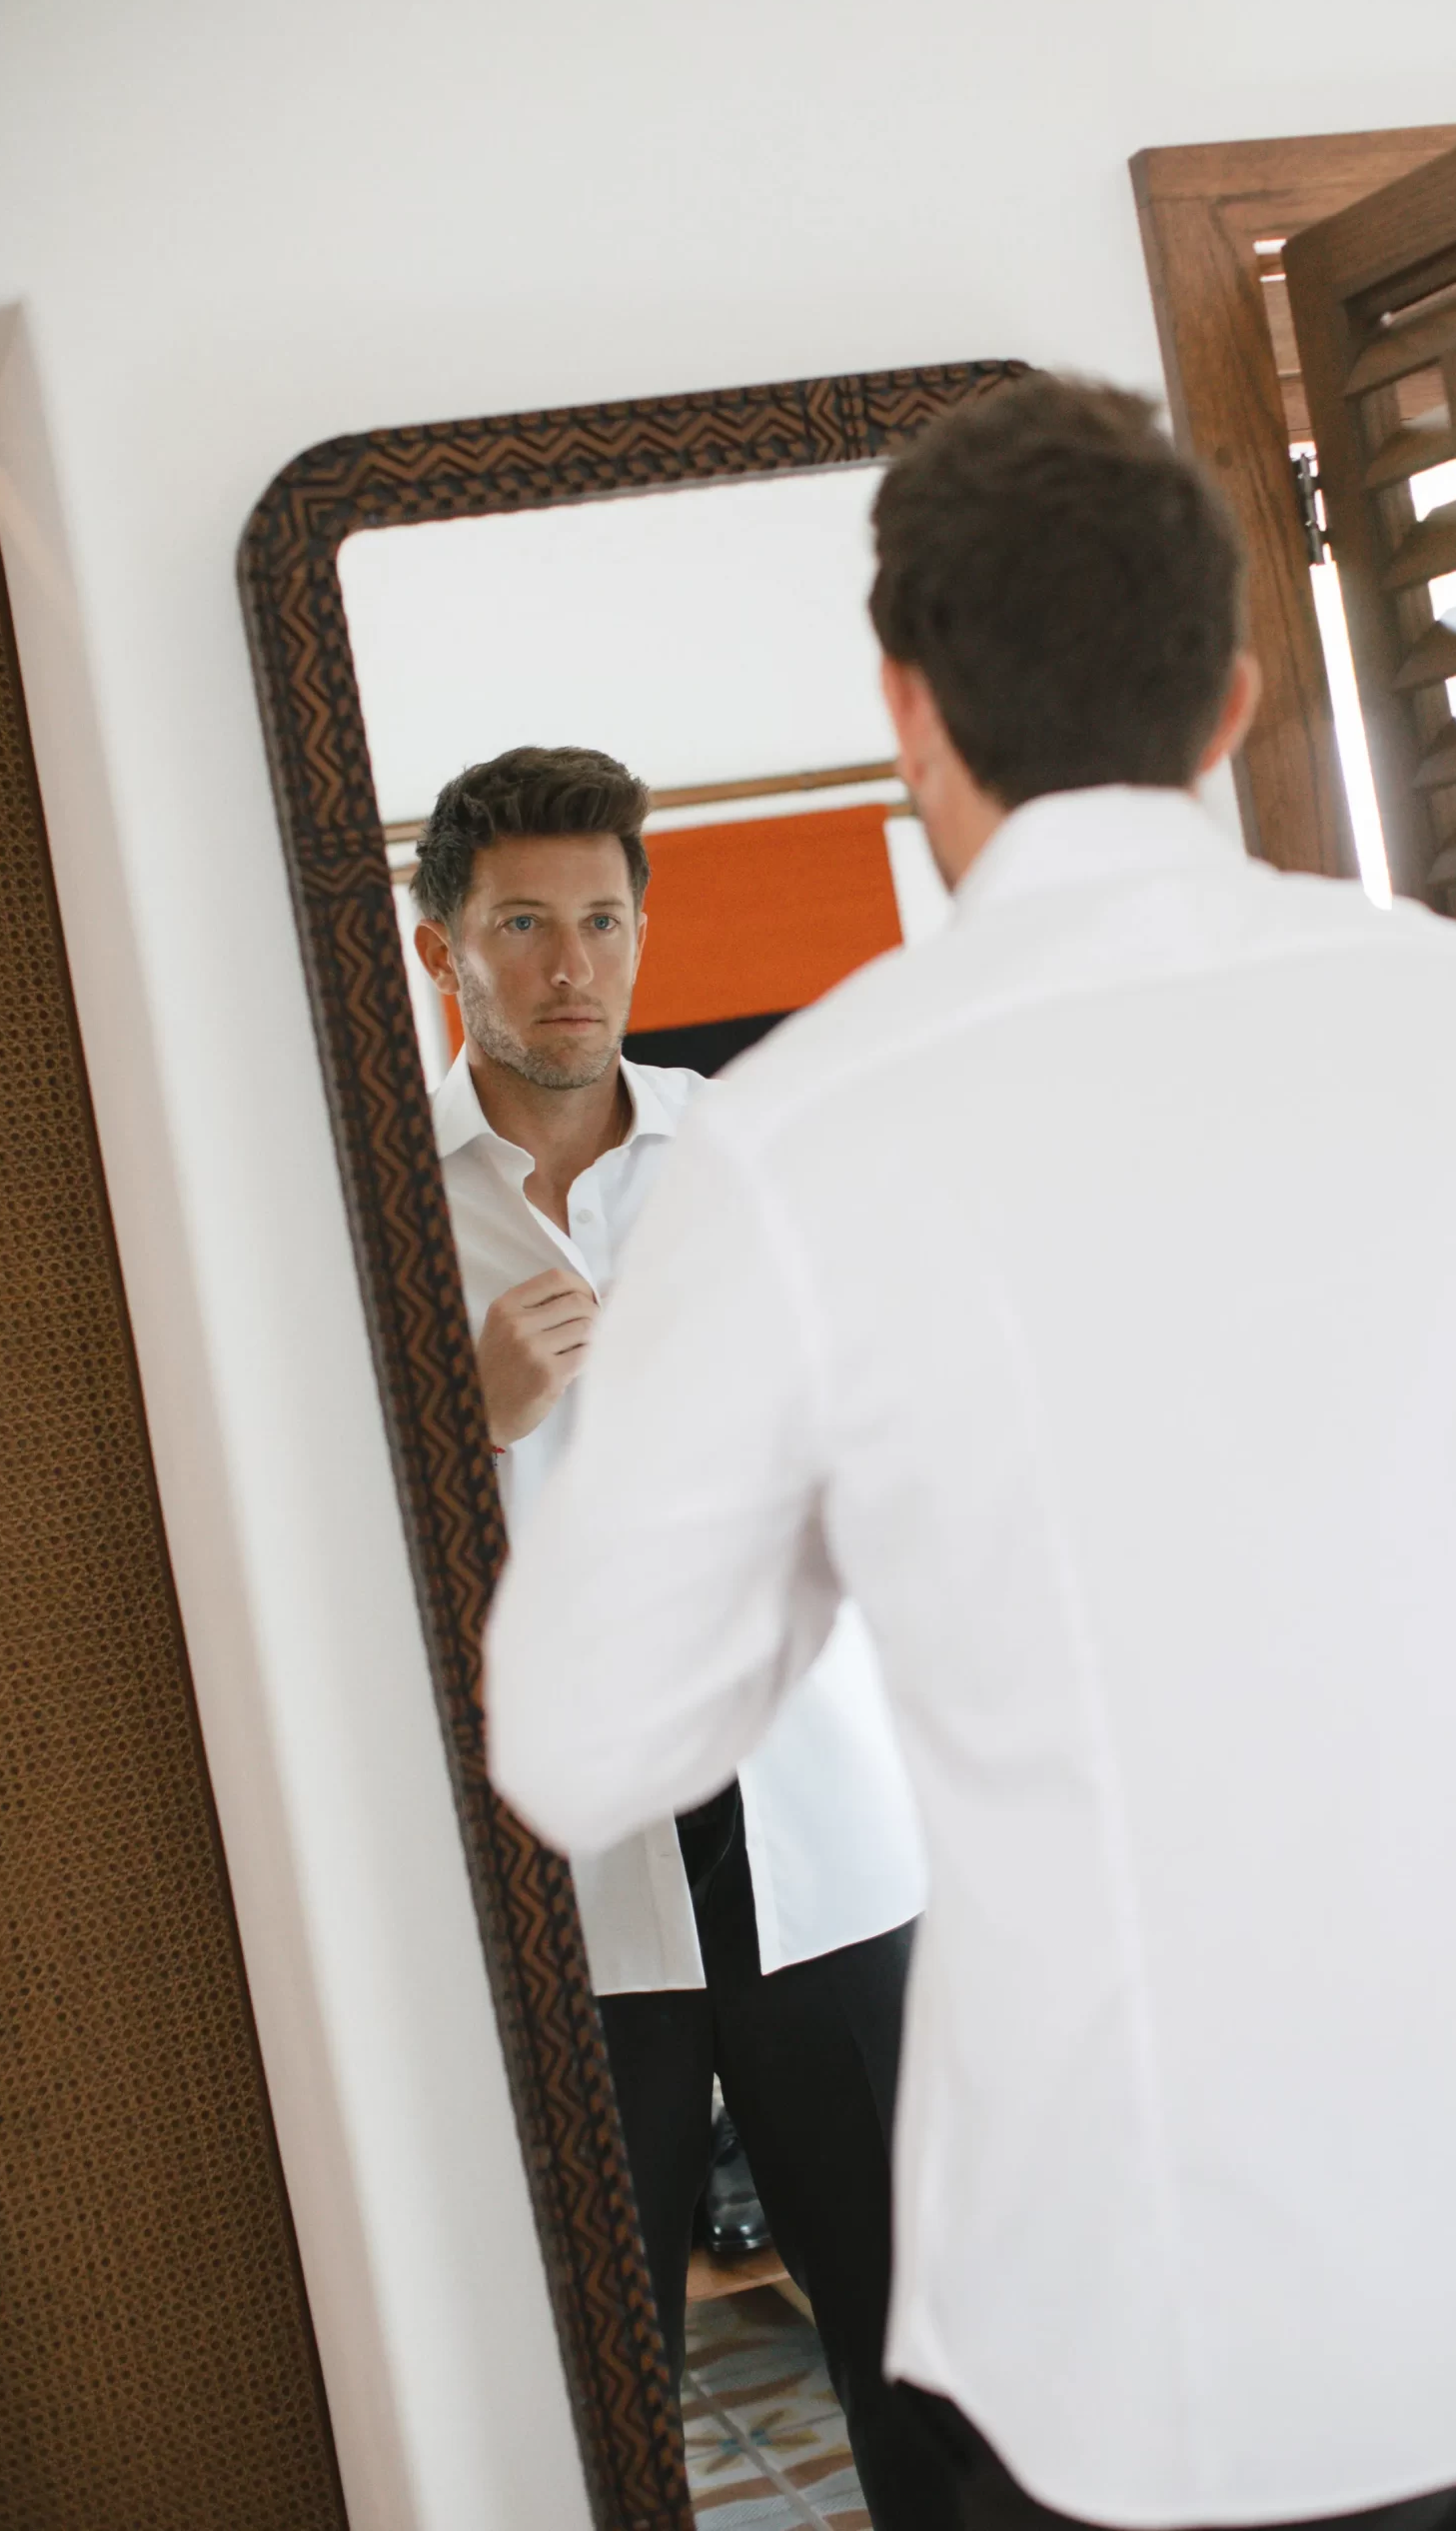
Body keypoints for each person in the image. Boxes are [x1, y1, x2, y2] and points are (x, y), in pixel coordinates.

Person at [485, 376, 1456, 2531]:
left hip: (1156, 2328)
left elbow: (581, 1745)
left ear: (907, 707)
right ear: (1227, 696)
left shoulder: (800, 1139)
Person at [409, 747, 954, 2531]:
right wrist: (462, 1411)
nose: (569, 964)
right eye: (521, 925)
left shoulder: (762, 1159)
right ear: (441, 951)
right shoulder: (374, 1204)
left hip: (826, 1847)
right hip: (562, 1901)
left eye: (601, 920)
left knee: (926, 2357)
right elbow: (312, 1546)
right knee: (589, 2385)